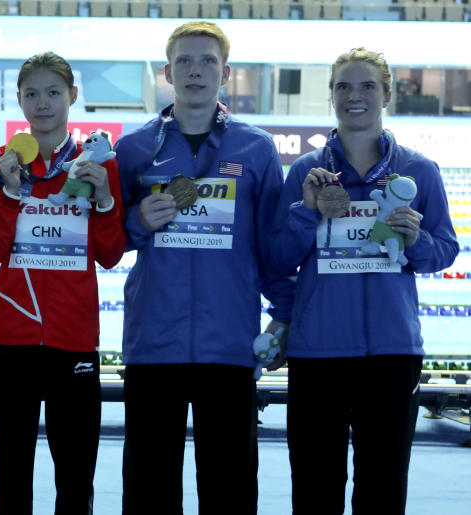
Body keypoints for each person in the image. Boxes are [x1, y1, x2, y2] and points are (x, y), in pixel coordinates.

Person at [114, 21, 294, 513]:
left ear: (226, 73)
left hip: (229, 346)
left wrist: (284, 313)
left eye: (208, 61)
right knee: (149, 489)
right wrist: (136, 221)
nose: (196, 70)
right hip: (154, 344)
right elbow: (107, 241)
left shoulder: (255, 149)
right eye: (185, 62)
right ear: (167, 72)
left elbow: (271, 245)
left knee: (229, 488)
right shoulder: (133, 149)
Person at [269, 48, 458, 514]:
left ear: (387, 94)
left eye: (367, 86)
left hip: (392, 353)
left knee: (383, 487)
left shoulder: (419, 171)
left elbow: (445, 251)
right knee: (316, 488)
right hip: (319, 353)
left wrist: (415, 241)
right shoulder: (305, 172)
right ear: (331, 96)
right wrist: (305, 213)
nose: (355, 96)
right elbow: (277, 258)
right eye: (343, 87)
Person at [0, 51, 125, 515]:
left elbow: (110, 255)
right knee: (12, 476)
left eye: (53, 92)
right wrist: (6, 192)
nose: (42, 103)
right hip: (13, 339)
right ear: (19, 100)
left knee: (76, 479)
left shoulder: (96, 164)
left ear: (73, 97)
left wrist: (103, 197)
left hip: (74, 340)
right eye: (32, 94)